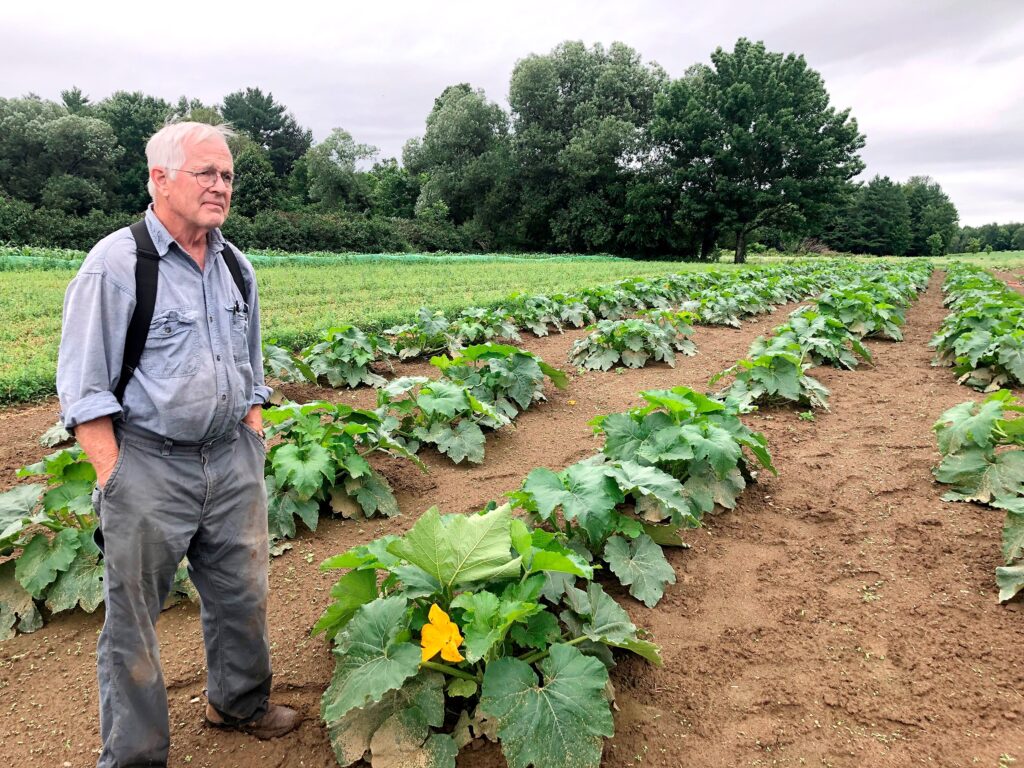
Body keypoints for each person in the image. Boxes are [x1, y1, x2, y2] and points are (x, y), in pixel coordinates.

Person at [56, 121, 300, 768]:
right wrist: (116, 475)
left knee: (243, 593)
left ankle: (240, 702)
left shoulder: (234, 265)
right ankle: (135, 757)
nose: (220, 186)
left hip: (229, 459)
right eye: (206, 173)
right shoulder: (115, 265)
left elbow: (251, 368)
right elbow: (84, 391)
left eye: (226, 175)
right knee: (132, 623)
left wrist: (251, 437)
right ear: (159, 179)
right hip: (148, 468)